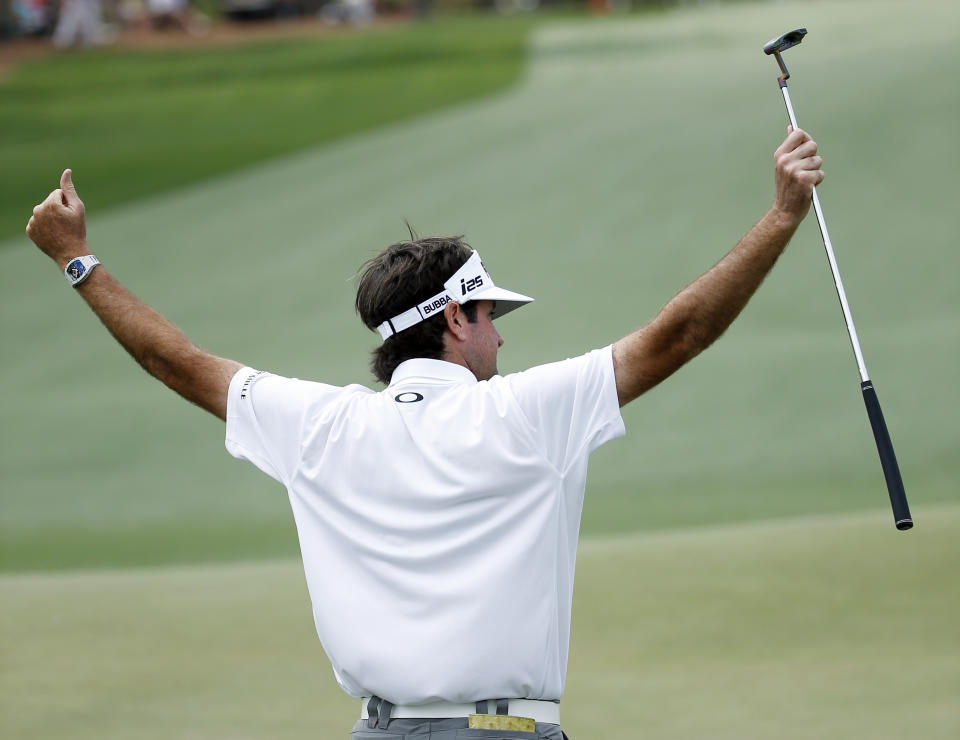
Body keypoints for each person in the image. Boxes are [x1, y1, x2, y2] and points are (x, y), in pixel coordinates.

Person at [26, 127, 824, 739]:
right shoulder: (525, 412)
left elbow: (176, 363)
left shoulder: (320, 426)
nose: (502, 338)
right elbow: (678, 336)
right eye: (491, 317)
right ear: (455, 318)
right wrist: (784, 215)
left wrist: (77, 260)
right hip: (503, 729)